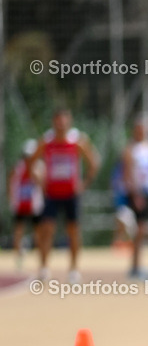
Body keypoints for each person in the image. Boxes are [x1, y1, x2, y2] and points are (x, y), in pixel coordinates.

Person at [26, 109, 99, 283]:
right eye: (58, 121)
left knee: (73, 231)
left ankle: (73, 268)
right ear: (53, 122)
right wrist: (38, 180)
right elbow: (30, 161)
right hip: (51, 193)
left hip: (71, 194)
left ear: (69, 122)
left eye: (64, 121)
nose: (61, 125)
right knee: (47, 229)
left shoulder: (77, 142)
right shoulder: (46, 141)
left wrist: (84, 184)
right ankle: (43, 268)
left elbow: (93, 162)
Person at [122, 114, 148, 277]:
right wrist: (135, 194)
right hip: (137, 192)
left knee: (143, 228)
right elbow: (128, 173)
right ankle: (135, 265)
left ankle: (138, 264)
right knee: (140, 228)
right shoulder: (130, 149)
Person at [8, 140, 44, 270]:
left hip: (35, 205)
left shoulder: (39, 166)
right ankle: (18, 257)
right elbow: (10, 182)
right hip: (20, 205)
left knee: (39, 233)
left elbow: (42, 183)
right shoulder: (18, 167)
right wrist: (11, 199)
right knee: (18, 231)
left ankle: (41, 262)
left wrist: (34, 173)